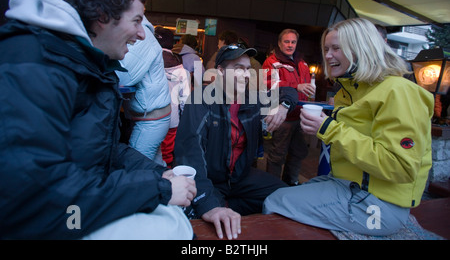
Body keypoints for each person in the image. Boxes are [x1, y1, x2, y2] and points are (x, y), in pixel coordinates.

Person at [0, 0, 196, 239]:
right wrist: (156, 188)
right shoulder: (34, 62)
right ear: (103, 16)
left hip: (68, 209)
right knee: (171, 226)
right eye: (137, 21)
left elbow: (104, 150)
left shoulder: (80, 60)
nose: (142, 34)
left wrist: (159, 175)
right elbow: (34, 197)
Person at [263, 18, 434, 236]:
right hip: (349, 186)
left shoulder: (399, 91)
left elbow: (400, 167)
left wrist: (329, 129)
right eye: (326, 49)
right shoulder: (349, 90)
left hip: (380, 207)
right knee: (279, 191)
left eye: (336, 48)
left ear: (360, 48)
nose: (327, 55)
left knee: (275, 202)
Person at [174, 43, 298, 240]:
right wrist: (209, 204)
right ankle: (215, 205)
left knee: (285, 196)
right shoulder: (201, 99)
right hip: (210, 179)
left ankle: (226, 206)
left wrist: (283, 106)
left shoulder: (252, 98)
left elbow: (289, 92)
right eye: (238, 69)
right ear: (221, 71)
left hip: (239, 178)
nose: (246, 75)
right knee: (208, 223)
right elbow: (190, 156)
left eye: (248, 69)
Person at [262, 29, 314, 185]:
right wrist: (297, 86)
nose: (290, 45)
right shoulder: (271, 62)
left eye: (293, 42)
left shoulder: (303, 63)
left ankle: (291, 185)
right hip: (283, 117)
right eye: (286, 41)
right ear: (279, 43)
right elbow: (268, 84)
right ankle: (271, 188)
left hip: (300, 116)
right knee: (277, 156)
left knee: (298, 153)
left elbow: (307, 87)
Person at [116, 16, 171, 166]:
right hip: (151, 115)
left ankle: (168, 186)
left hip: (151, 119)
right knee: (154, 164)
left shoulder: (143, 38)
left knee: (135, 166)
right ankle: (169, 185)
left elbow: (124, 77)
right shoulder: (139, 34)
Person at [156, 26, 190, 167]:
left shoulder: (149, 63)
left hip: (149, 117)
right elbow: (185, 100)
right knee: (167, 154)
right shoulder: (181, 69)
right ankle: (167, 180)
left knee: (148, 154)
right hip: (172, 118)